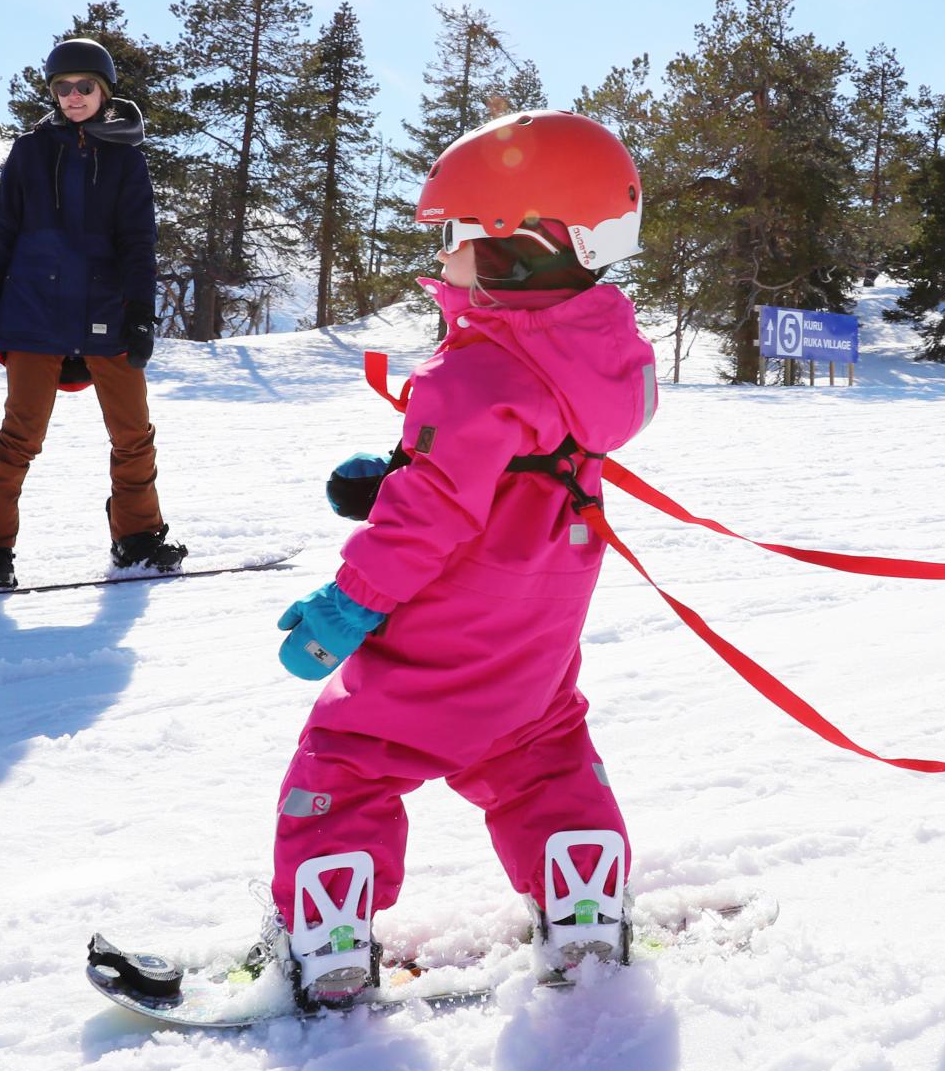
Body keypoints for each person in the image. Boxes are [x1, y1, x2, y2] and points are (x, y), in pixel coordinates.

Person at [266, 108, 657, 1009]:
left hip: (446, 635)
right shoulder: (585, 360)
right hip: (535, 639)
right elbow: (504, 474)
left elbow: (434, 515)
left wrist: (345, 605)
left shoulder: (471, 371)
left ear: (515, 248)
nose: (440, 257)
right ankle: (584, 906)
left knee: (349, 756)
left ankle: (327, 936)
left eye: (453, 239)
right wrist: (394, 474)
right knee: (542, 750)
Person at [0, 37, 181, 589]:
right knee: (19, 437)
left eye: (83, 87)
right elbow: (0, 228)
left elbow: (138, 242)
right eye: (62, 88)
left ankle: (138, 541)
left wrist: (143, 313)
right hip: (33, 310)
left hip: (106, 310)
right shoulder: (32, 151)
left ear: (103, 91)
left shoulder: (126, 159)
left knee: (133, 434)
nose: (73, 96)